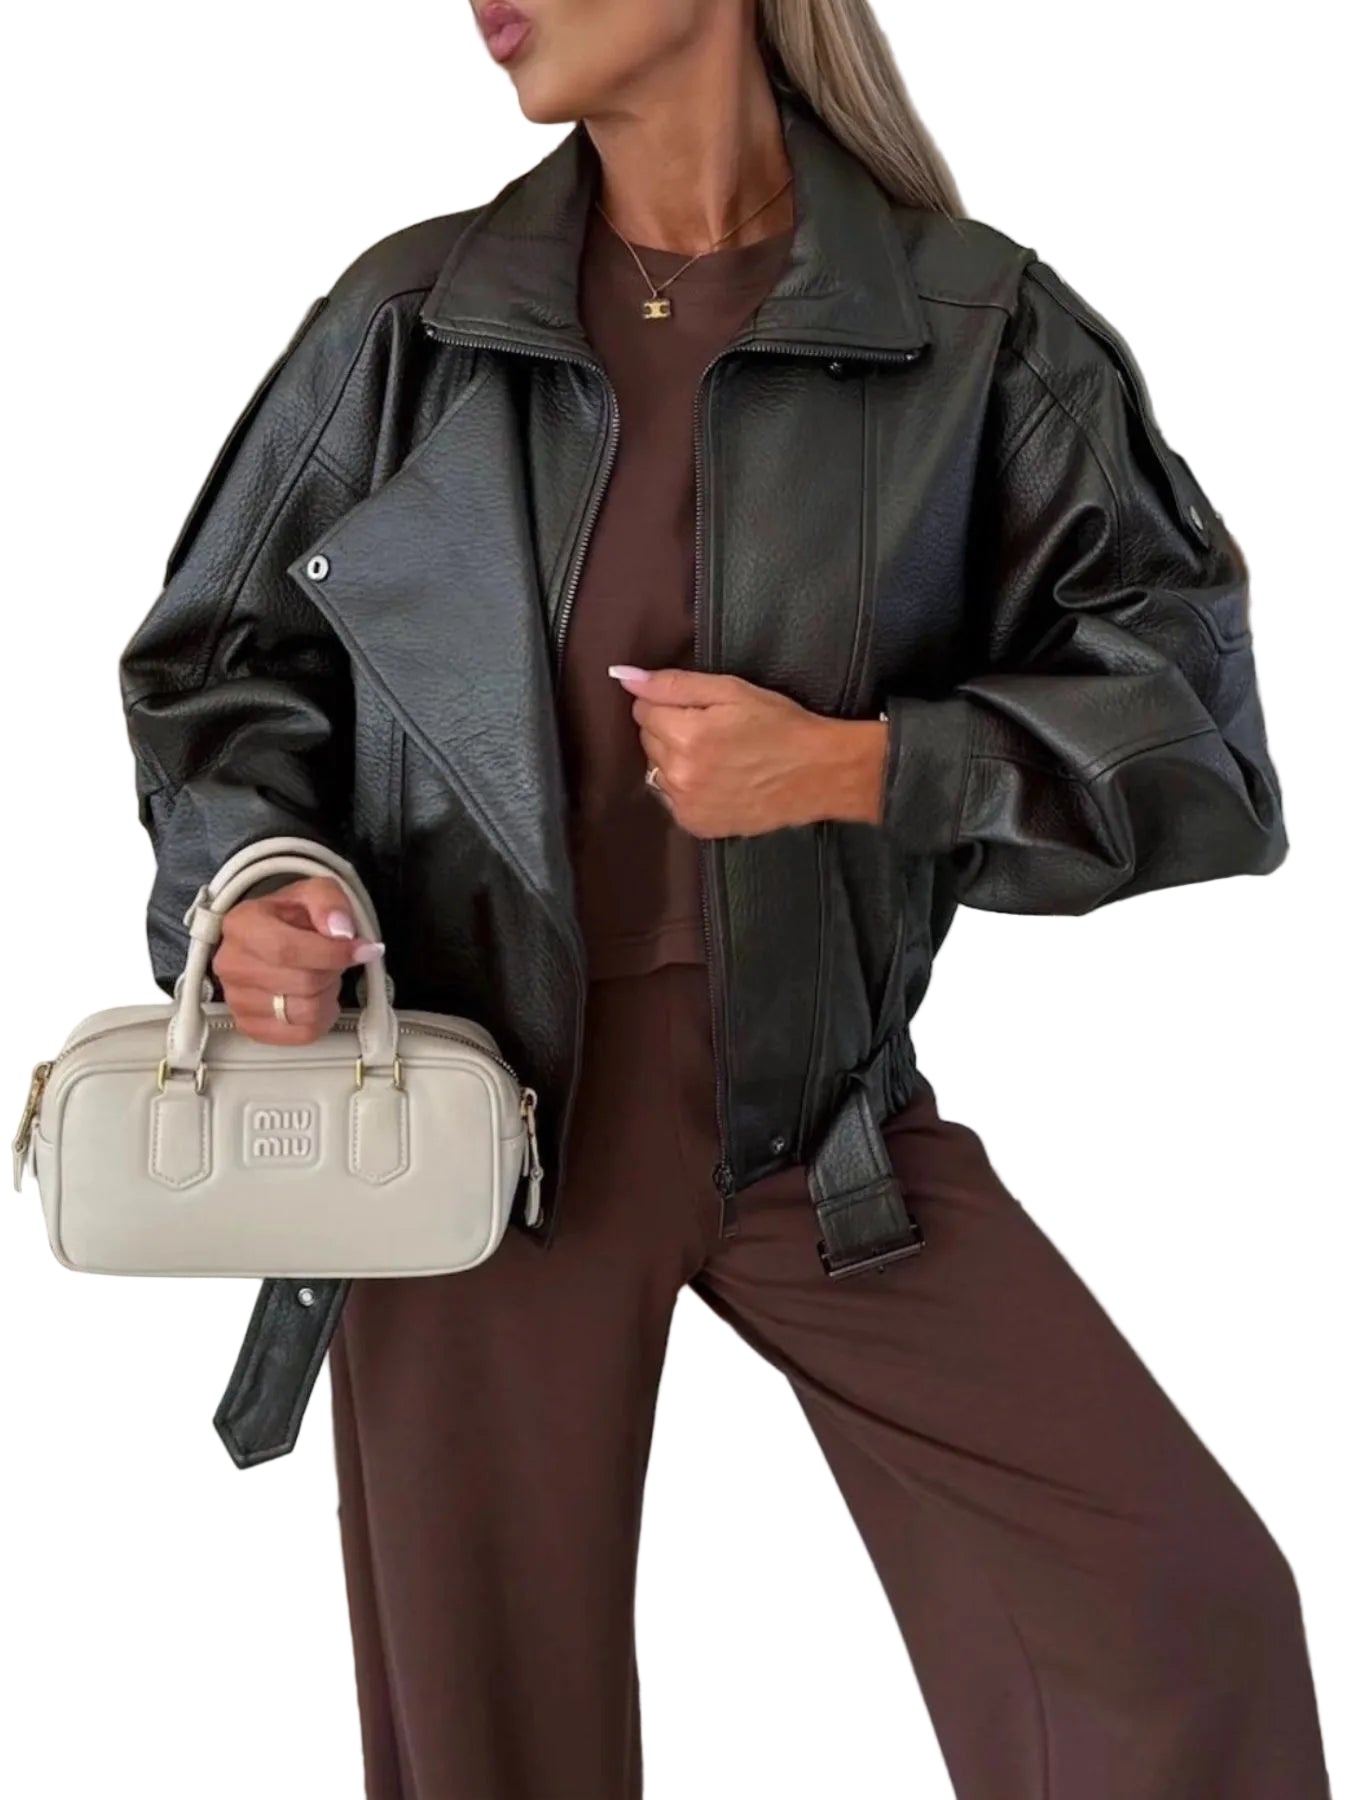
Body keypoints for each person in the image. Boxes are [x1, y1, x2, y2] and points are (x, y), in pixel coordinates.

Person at [116, 1, 1332, 1794]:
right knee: (493, 1749)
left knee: (1177, 1611)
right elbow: (220, 673)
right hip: (472, 1152)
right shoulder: (411, 325)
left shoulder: (972, 331)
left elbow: (1195, 752)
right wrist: (254, 886)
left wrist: (856, 767)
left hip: (831, 1147)